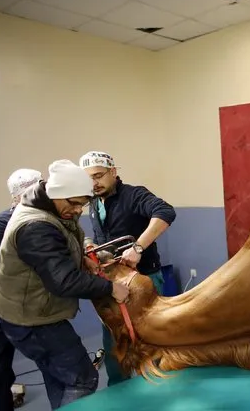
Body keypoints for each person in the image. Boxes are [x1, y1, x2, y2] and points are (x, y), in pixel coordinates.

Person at [0, 159, 130, 410]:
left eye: (83, 204)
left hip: (28, 313)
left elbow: (62, 244)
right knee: (83, 378)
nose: (79, 211)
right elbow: (63, 281)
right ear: (57, 194)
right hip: (33, 321)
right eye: (75, 203)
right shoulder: (35, 226)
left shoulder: (50, 208)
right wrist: (111, 288)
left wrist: (87, 258)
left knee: (59, 377)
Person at [79, 151, 176, 386]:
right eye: (88, 179)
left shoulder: (134, 195)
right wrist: (90, 244)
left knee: (151, 338)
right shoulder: (93, 202)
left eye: (99, 176)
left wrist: (138, 248)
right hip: (113, 283)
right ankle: (119, 390)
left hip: (144, 278)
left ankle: (160, 389)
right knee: (114, 342)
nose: (94, 183)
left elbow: (166, 212)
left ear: (113, 172)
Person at [0, 168, 42, 411]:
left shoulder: (43, 220)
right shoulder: (0, 223)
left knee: (54, 362)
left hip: (30, 301)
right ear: (19, 195)